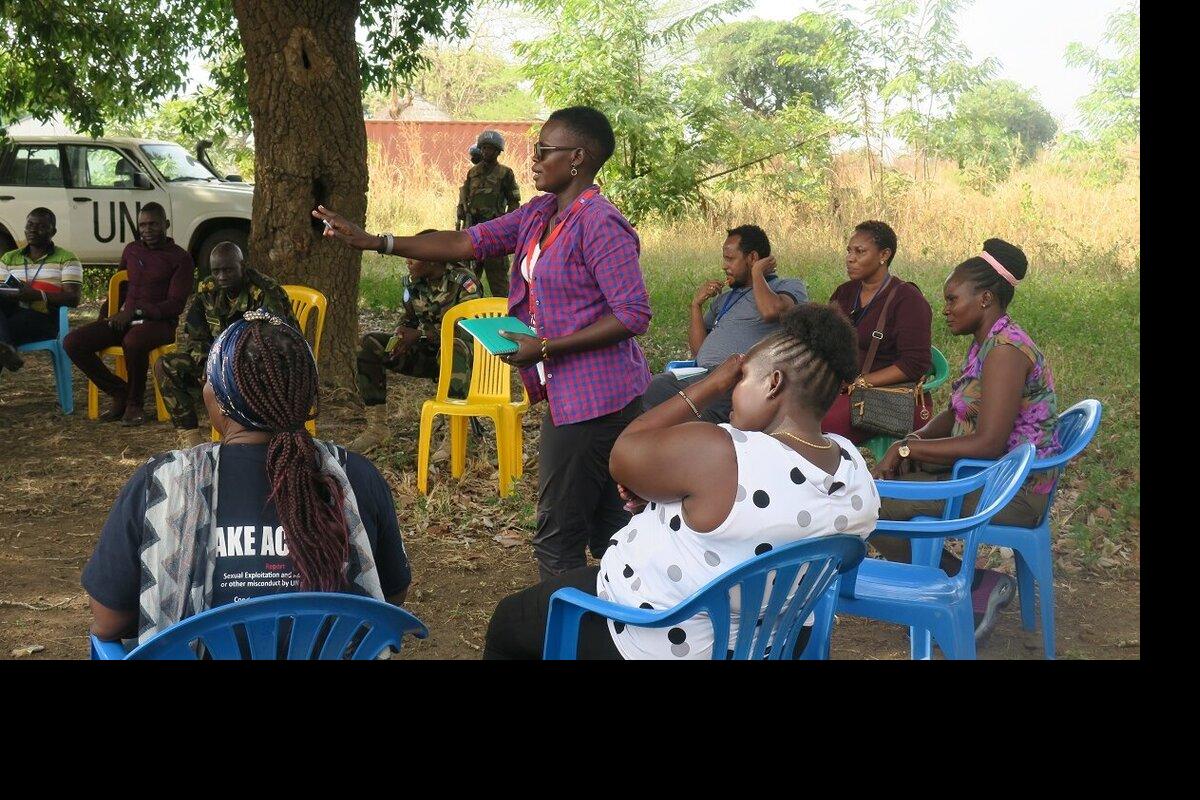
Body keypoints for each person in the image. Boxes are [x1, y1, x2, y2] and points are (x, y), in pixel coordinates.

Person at [315, 105, 653, 581]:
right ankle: (629, 611)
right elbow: (465, 243)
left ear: (577, 158)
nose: (533, 159)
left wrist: (546, 347)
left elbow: (632, 314)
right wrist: (378, 242)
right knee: (612, 530)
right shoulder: (540, 213)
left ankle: (570, 619)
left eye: (543, 150)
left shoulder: (599, 223)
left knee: (558, 540)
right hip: (572, 393)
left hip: (596, 399)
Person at [482, 303, 879, 659]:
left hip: (662, 636)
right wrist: (672, 499)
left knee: (507, 623)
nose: (733, 389)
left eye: (741, 379)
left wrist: (711, 383)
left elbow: (624, 452)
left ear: (773, 384)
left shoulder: (726, 453)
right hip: (771, 642)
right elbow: (762, 520)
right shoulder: (854, 470)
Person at [82, 310, 412, 647]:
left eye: (208, 380)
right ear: (307, 394)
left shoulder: (162, 482)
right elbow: (391, 596)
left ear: (219, 398)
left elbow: (108, 621)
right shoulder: (355, 476)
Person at [870, 238, 1060, 643]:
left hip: (1012, 491)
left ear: (985, 298)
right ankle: (968, 585)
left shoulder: (1006, 351)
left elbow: (989, 443)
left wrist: (908, 450)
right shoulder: (986, 342)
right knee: (881, 491)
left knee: (871, 507)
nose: (946, 308)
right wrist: (915, 438)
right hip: (986, 475)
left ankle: (964, 589)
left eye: (953, 299)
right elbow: (958, 412)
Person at [642, 224, 808, 423]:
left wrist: (757, 273)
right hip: (701, 375)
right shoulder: (724, 299)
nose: (724, 266)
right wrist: (695, 305)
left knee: (690, 415)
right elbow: (698, 351)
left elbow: (770, 311)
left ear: (752, 258)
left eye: (730, 259)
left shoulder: (787, 286)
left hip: (738, 379)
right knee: (648, 389)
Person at [350, 230, 483, 454]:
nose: (408, 260)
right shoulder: (413, 284)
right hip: (431, 354)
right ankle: (377, 428)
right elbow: (410, 319)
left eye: (414, 255)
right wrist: (401, 334)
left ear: (432, 258)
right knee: (370, 344)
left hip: (465, 361)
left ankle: (455, 433)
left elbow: (469, 331)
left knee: (456, 348)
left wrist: (421, 335)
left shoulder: (463, 283)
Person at [153, 242, 296, 449]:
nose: (221, 277)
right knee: (166, 365)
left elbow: (275, 344)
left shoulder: (264, 292)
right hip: (217, 366)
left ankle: (253, 440)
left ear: (242, 266)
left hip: (256, 370)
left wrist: (230, 368)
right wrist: (206, 362)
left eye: (228, 270)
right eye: (216, 271)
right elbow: (195, 335)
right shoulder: (208, 291)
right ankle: (190, 438)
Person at [64, 202, 192, 426]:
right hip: (127, 319)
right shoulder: (132, 250)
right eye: (142, 225)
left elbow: (175, 305)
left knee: (133, 340)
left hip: (159, 323)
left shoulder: (180, 258)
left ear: (166, 224)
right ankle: (119, 391)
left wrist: (136, 312)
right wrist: (104, 318)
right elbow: (120, 289)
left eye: (153, 224)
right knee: (73, 342)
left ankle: (135, 404)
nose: (147, 230)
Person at [823, 220, 933, 443]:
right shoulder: (844, 293)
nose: (850, 258)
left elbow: (915, 364)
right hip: (845, 389)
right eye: (849, 251)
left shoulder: (908, 300)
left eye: (860, 251)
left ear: (884, 255)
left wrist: (860, 382)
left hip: (886, 398)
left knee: (818, 425)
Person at [0, 208, 82, 373]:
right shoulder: (9, 257)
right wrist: (15, 293)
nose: (33, 230)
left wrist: (37, 295)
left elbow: (73, 298)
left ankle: (4, 347)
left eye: (41, 226)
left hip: (44, 318)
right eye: (29, 225)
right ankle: (4, 348)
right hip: (12, 311)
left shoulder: (67, 258)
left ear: (53, 232)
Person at [456, 129, 521, 297]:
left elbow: (514, 201)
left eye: (490, 148)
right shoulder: (473, 172)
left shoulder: (505, 173)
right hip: (473, 231)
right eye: (484, 148)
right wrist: (461, 210)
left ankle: (504, 310)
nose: (486, 151)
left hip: (494, 233)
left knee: (498, 280)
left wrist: (507, 225)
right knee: (468, 281)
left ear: (498, 151)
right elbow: (465, 197)